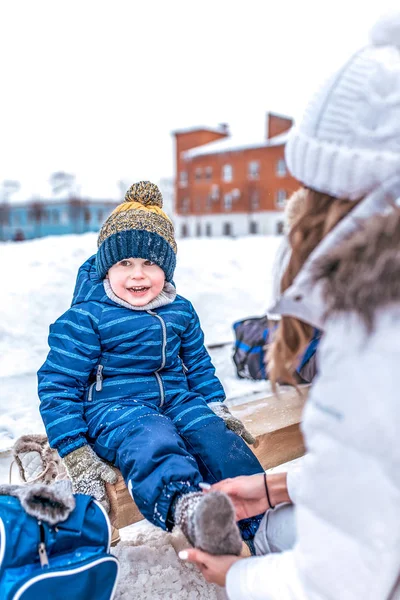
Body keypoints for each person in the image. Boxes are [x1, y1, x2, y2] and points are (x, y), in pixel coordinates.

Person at [180, 13, 400, 598]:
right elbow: (383, 465)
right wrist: (280, 485)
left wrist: (239, 578)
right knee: (278, 521)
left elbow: (341, 583)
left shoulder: (380, 329)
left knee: (273, 540)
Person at [37, 181, 264, 555]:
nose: (138, 275)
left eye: (150, 263)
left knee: (220, 442)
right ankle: (187, 510)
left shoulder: (180, 311)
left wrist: (216, 407)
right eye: (124, 263)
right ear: (106, 268)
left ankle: (259, 517)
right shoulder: (86, 318)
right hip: (116, 409)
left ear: (167, 268)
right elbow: (58, 385)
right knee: (153, 440)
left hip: (177, 399)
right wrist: (75, 450)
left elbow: (199, 366)